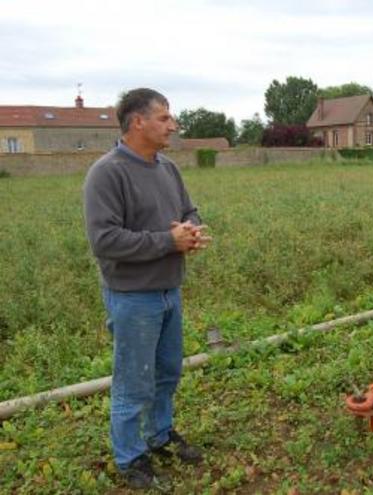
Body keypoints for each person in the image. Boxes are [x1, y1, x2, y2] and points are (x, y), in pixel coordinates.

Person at [83, 88, 211, 489]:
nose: (172, 124)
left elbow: (188, 210)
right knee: (132, 381)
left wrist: (189, 229)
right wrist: (166, 241)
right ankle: (130, 457)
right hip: (132, 296)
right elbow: (104, 241)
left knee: (167, 371)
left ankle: (159, 435)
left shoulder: (167, 168)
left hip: (169, 290)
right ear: (138, 122)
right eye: (164, 117)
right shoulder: (107, 173)